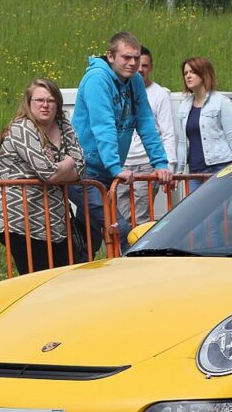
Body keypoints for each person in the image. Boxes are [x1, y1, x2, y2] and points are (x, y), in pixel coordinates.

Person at [69, 31, 172, 259]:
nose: (133, 63)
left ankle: (75, 278)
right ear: (111, 56)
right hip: (83, 173)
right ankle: (138, 276)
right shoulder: (97, 79)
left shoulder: (135, 80)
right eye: (126, 57)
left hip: (105, 175)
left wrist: (160, 163)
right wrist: (116, 166)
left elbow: (145, 121)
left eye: (136, 58)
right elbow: (103, 125)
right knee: (120, 229)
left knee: (90, 237)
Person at [0, 78, 85, 275]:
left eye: (51, 100)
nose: (45, 105)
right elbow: (48, 173)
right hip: (20, 219)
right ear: (29, 102)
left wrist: (58, 168)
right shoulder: (22, 129)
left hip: (54, 221)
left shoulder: (63, 125)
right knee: (36, 280)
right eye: (39, 100)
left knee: (63, 277)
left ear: (58, 103)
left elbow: (82, 167)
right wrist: (67, 162)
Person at [117, 46, 177, 225]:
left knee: (141, 218)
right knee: (120, 218)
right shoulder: (121, 91)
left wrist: (169, 166)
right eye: (137, 65)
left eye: (145, 65)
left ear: (150, 67)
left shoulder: (160, 94)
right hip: (123, 164)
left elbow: (168, 133)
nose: (140, 69)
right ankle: (124, 252)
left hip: (146, 164)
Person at [176, 57, 232, 193]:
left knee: (218, 211)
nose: (188, 76)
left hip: (219, 168)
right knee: (196, 211)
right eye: (185, 73)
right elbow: (182, 142)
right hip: (194, 171)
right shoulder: (184, 106)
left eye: (193, 72)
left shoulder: (221, 102)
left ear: (204, 74)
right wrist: (178, 173)